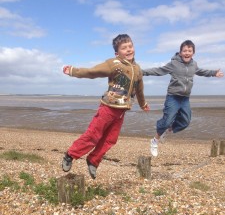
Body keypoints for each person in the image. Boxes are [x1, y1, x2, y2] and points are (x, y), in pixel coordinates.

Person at [62, 34, 150, 178]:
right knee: (93, 135)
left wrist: (143, 104)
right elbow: (92, 72)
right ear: (117, 53)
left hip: (121, 112)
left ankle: (93, 161)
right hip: (108, 108)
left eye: (130, 46)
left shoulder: (138, 69)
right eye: (124, 48)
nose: (128, 50)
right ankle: (70, 155)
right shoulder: (114, 63)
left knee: (110, 139)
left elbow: (139, 90)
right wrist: (73, 71)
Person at [142, 39, 224, 157]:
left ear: (193, 53)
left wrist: (213, 73)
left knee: (185, 121)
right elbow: (159, 71)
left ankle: (167, 128)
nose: (187, 53)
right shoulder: (174, 64)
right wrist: (142, 72)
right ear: (180, 53)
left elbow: (201, 71)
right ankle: (155, 140)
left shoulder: (193, 64)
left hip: (185, 98)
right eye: (184, 50)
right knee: (167, 119)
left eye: (189, 51)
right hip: (173, 97)